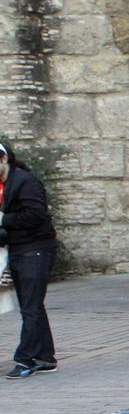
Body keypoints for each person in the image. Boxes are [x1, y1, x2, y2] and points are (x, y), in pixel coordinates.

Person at [0, 142, 58, 379]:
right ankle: (45, 357)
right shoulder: (5, 184)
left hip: (36, 249)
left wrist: (4, 218)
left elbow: (36, 215)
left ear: (3, 159)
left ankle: (25, 359)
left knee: (31, 307)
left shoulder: (25, 181)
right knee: (31, 306)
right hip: (18, 249)